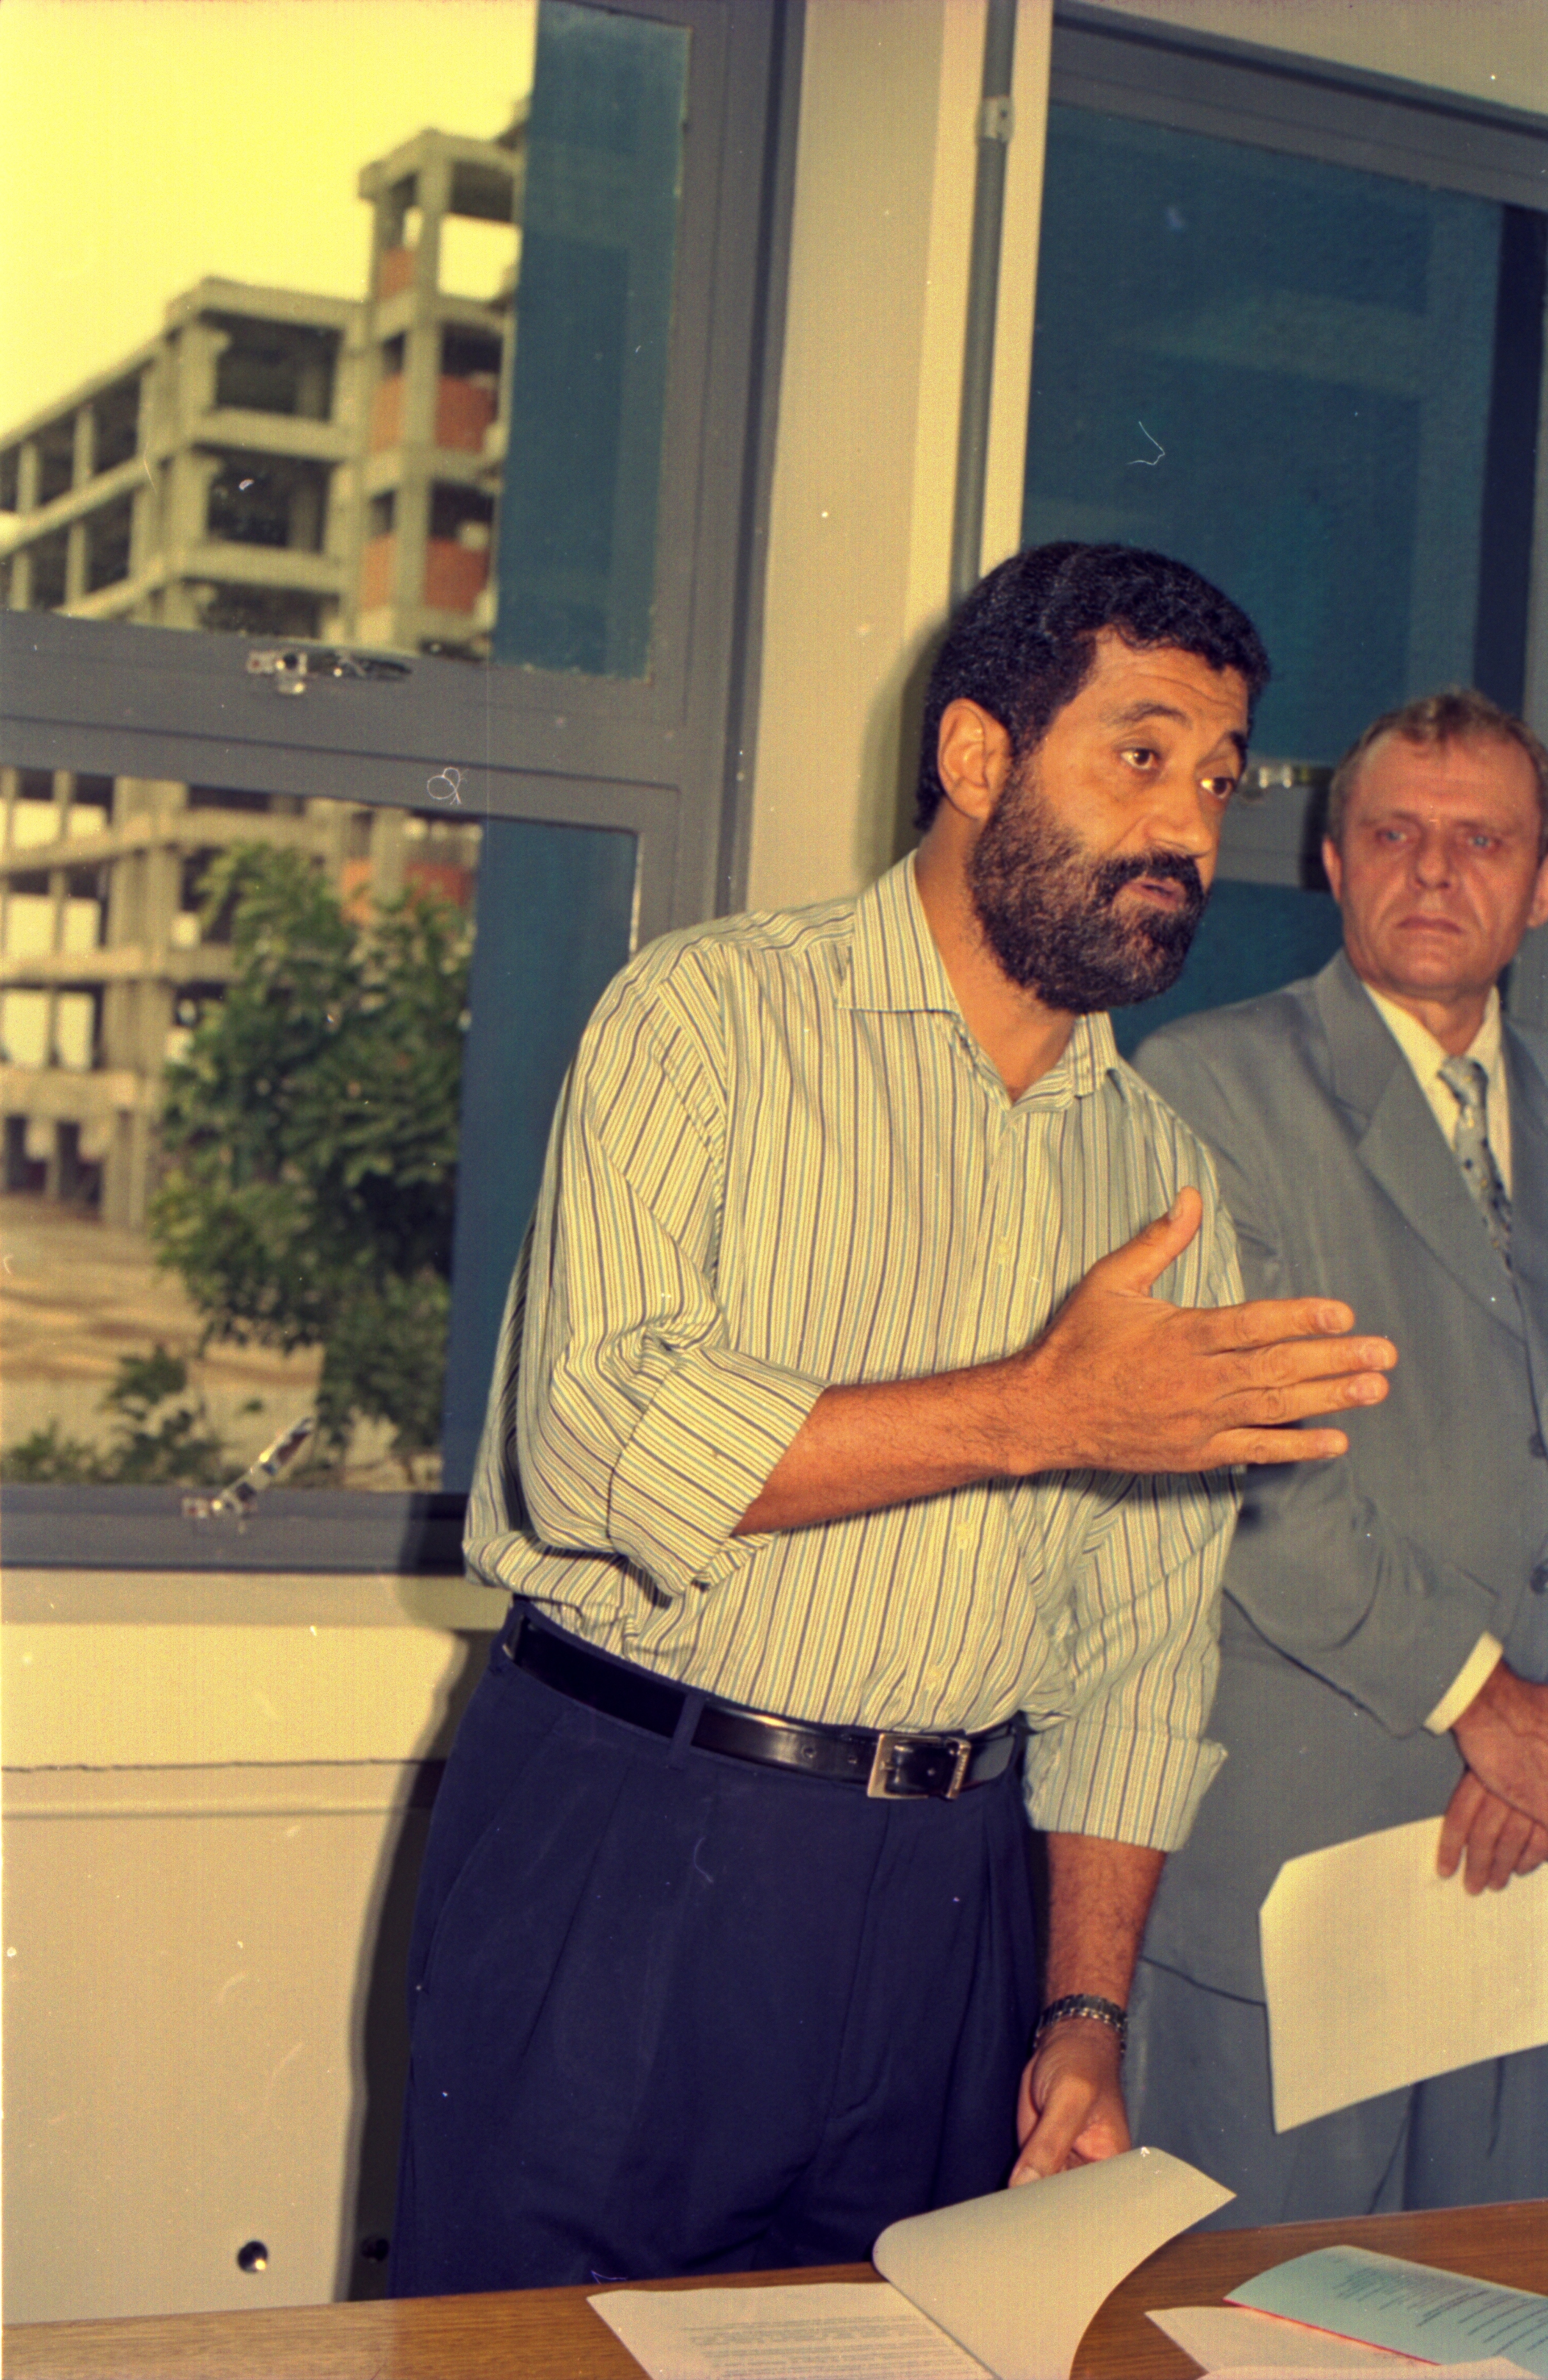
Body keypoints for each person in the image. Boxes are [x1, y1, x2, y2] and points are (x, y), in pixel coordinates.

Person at [390, 543, 1397, 2296]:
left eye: (1218, 780)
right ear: (976, 756)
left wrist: (1079, 2011)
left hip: (955, 1904)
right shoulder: (703, 1017)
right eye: (1139, 755)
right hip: (637, 1844)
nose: (1185, 827)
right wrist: (1034, 1409)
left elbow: (1139, 1657)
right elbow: (595, 1446)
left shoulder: (1160, 1179)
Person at [1127, 688, 1548, 2224]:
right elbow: (1241, 1461)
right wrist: (1484, 1701)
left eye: (1479, 840)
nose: (1433, 869)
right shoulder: (1203, 1086)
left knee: (1489, 2303)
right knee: (1247, 2310)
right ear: (1328, 857)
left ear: (1538, 883)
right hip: (1306, 1856)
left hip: (1527, 1851)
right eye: (1393, 833)